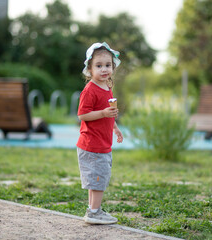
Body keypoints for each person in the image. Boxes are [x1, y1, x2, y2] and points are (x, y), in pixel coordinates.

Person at [76, 42, 124, 225]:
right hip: (93, 145)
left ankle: (93, 210)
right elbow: (82, 114)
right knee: (98, 180)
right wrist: (104, 113)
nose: (104, 69)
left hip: (102, 144)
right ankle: (94, 213)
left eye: (108, 65)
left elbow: (107, 115)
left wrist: (115, 127)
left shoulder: (107, 87)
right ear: (89, 69)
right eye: (99, 66)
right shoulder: (90, 90)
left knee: (96, 179)